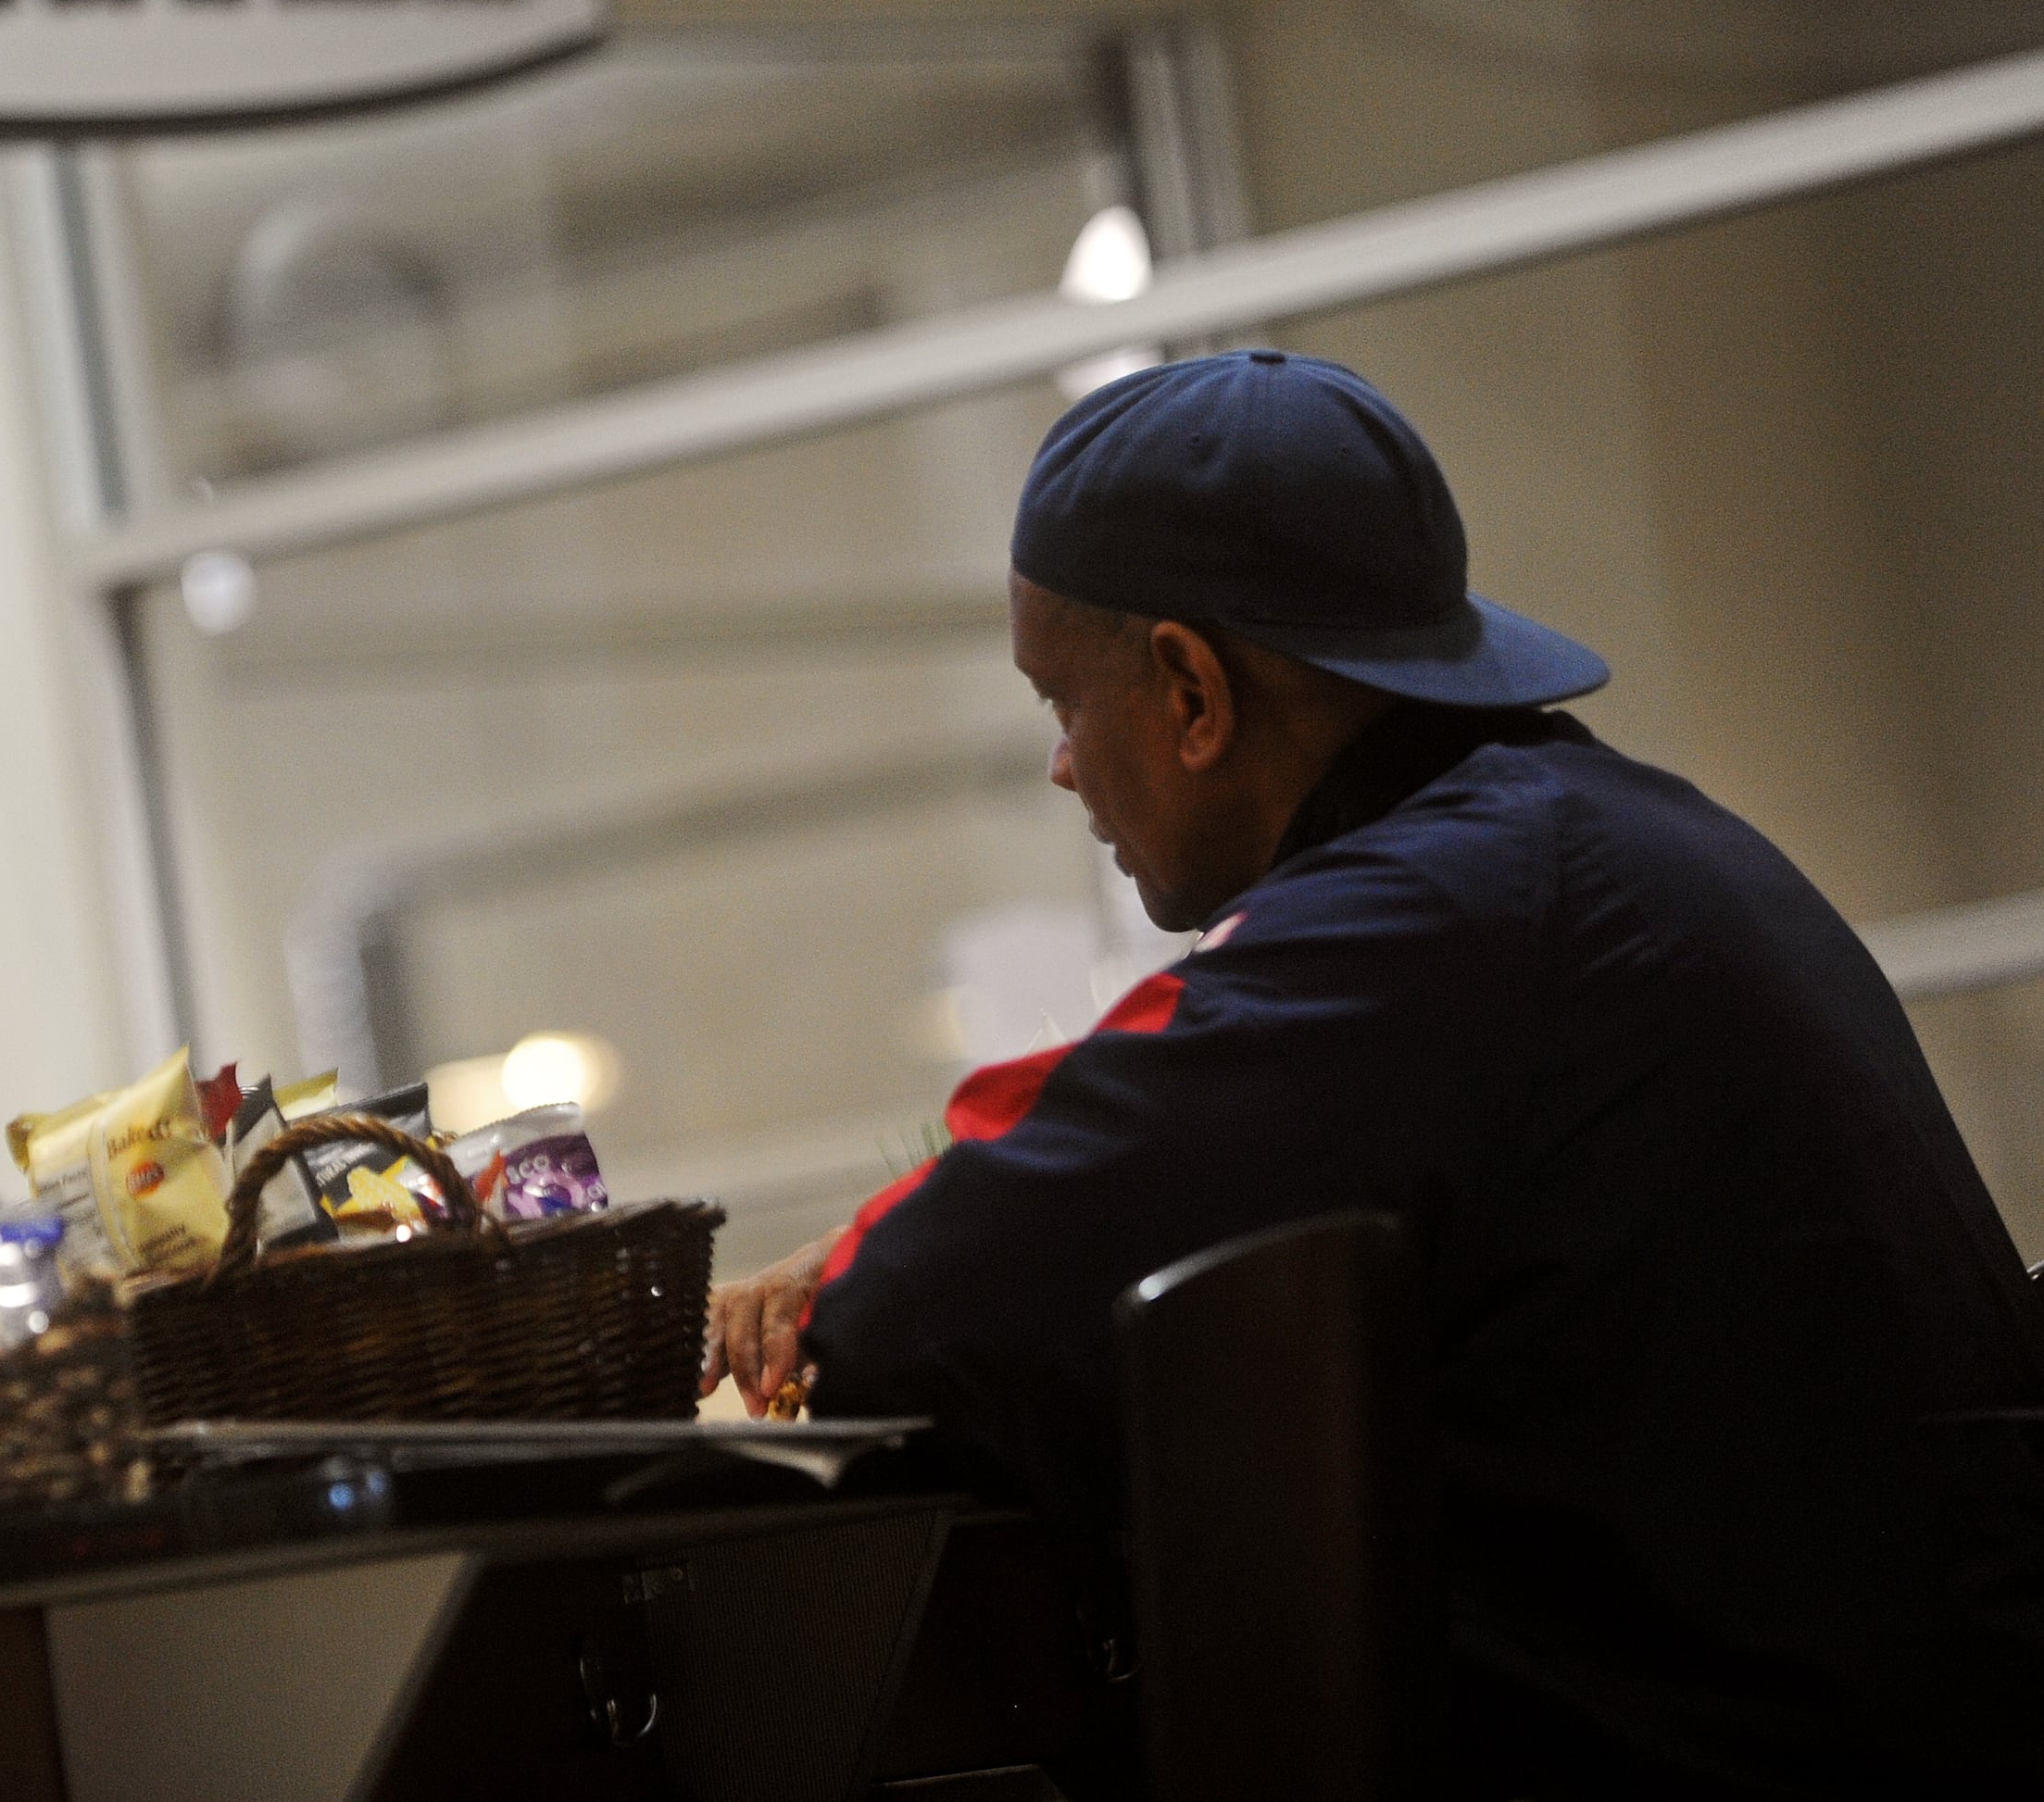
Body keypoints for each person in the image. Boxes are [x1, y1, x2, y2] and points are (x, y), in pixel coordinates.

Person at [705, 350, 2044, 1795]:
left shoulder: (1436, 918)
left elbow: (942, 1297)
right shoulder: (1590, 839)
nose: (1063, 767)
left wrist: (847, 1269)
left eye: (1061, 703)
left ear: (1190, 690)